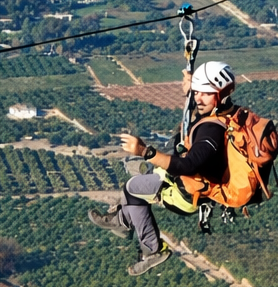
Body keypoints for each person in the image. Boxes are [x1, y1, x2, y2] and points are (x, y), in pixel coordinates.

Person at [88, 61, 237, 275]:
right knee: (135, 188)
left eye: (205, 93)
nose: (198, 98)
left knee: (132, 189)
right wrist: (191, 90)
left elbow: (188, 165)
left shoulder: (211, 131)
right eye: (198, 92)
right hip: (186, 181)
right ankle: (121, 222)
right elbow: (196, 116)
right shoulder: (226, 113)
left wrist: (145, 152)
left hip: (185, 192)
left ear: (220, 94)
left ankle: (152, 249)